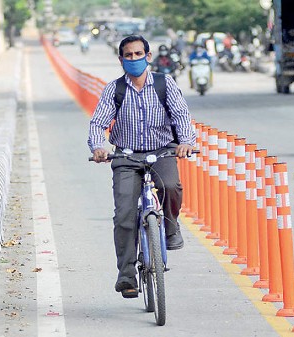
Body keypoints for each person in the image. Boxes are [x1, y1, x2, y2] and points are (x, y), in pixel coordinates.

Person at [88, 35, 196, 298]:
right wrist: (98, 147)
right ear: (121, 59)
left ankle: (171, 227)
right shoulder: (114, 89)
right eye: (129, 55)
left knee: (171, 186)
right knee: (124, 215)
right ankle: (126, 275)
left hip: (162, 152)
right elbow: (98, 123)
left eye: (139, 54)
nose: (134, 59)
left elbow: (181, 115)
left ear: (148, 56)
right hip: (126, 156)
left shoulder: (164, 83)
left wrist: (185, 142)